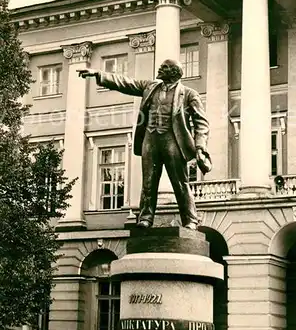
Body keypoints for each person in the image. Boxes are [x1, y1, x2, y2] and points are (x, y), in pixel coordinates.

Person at [78, 59, 211, 230]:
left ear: (173, 72)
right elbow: (126, 83)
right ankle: (146, 217)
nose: (160, 69)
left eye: (164, 67)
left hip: (173, 141)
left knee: (180, 183)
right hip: (151, 139)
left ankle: (190, 219)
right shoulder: (150, 87)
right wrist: (99, 74)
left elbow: (202, 122)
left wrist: (200, 147)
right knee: (148, 182)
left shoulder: (189, 94)